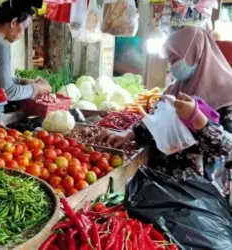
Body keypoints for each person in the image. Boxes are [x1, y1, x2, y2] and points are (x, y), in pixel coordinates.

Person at [99, 27, 232, 197]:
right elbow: (156, 119)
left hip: (202, 195)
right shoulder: (175, 87)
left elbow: (229, 149)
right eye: (171, 60)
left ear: (197, 53)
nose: (173, 66)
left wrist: (198, 119)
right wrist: (129, 133)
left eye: (176, 59)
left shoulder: (228, 93)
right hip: (163, 183)